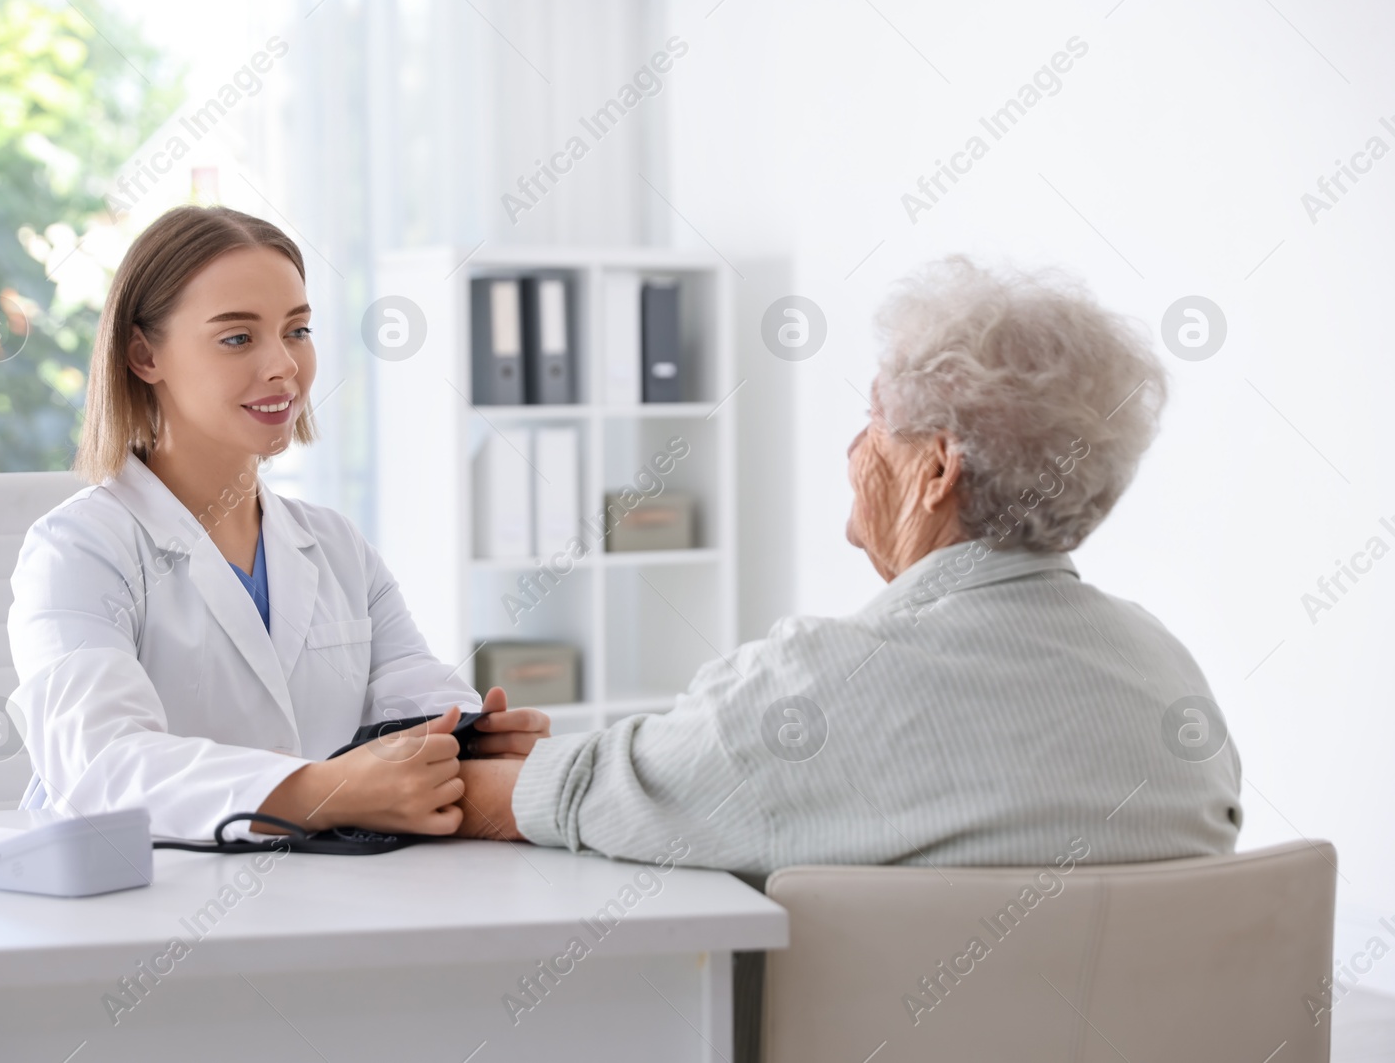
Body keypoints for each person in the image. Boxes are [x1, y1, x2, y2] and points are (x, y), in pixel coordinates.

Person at [454, 254, 1243, 873]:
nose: (853, 448)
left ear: (938, 469)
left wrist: (371, 779)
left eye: (875, 417)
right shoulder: (1172, 686)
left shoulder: (815, 691)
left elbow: (582, 798)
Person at [8, 205, 549, 842]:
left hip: (311, 894)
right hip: (128, 904)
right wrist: (327, 791)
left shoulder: (337, 547)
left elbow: (418, 700)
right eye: (238, 337)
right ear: (143, 354)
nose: (284, 366)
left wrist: (473, 741)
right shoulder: (76, 551)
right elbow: (102, 767)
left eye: (297, 331)